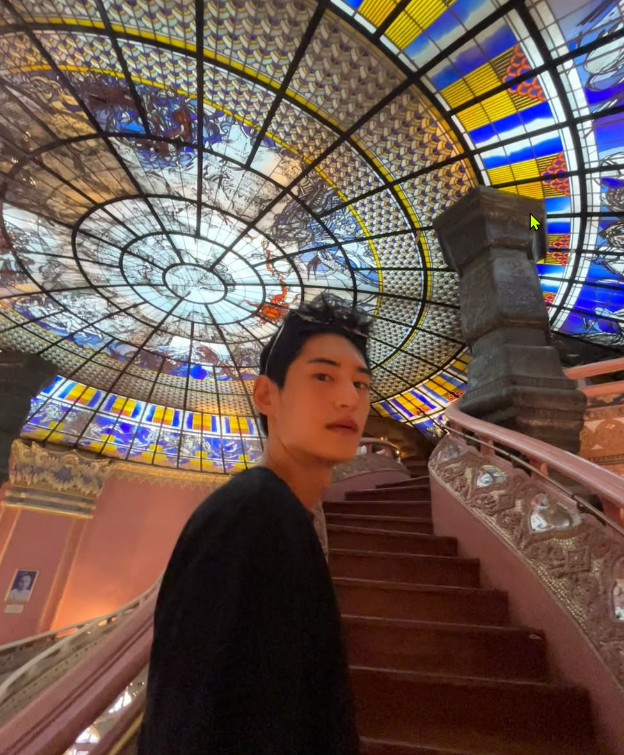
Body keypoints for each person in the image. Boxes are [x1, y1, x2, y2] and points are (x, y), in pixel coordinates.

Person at [138, 293, 371, 755]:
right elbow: (188, 715)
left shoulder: (279, 513)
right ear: (267, 395)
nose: (349, 398)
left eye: (361, 384)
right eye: (323, 376)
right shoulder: (248, 516)